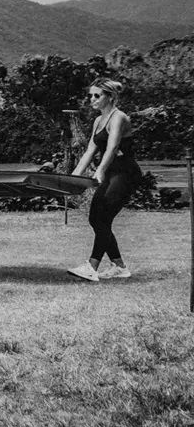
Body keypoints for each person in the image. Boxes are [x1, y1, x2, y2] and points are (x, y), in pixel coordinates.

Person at [70, 78, 142, 281]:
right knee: (95, 218)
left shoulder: (119, 117)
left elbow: (112, 147)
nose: (91, 99)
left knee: (103, 218)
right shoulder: (97, 121)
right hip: (111, 173)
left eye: (96, 95)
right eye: (90, 95)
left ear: (110, 97)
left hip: (125, 173)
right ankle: (119, 266)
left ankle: (91, 267)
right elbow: (89, 152)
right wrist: (74, 176)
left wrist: (100, 171)